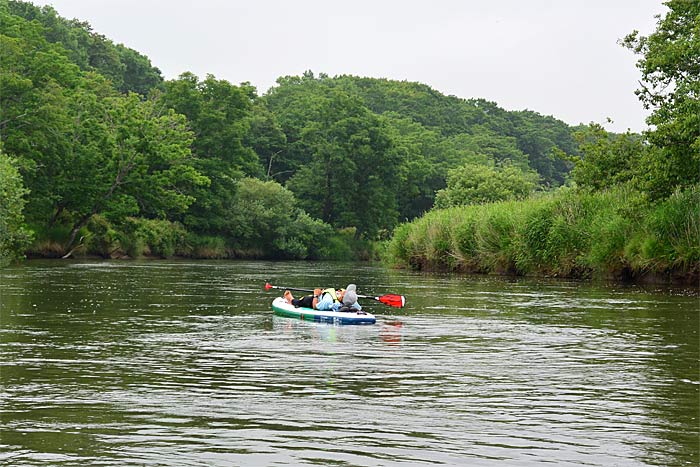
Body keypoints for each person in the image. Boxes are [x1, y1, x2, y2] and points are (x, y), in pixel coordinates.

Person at [284, 284, 361, 312]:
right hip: (315, 300)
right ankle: (291, 299)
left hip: (325, 295)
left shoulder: (350, 298)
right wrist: (316, 295)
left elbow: (358, 308)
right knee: (305, 300)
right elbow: (315, 306)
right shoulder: (328, 301)